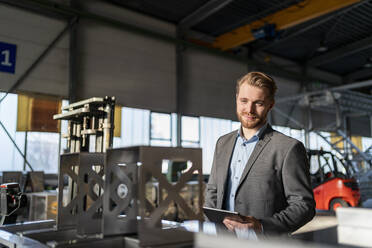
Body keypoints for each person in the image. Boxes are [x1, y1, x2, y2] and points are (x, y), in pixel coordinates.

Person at [205, 71, 315, 236]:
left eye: (259, 103)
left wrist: (262, 226)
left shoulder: (288, 148)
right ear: (236, 99)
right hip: (222, 240)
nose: (249, 110)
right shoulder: (223, 143)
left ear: (271, 104)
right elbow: (213, 190)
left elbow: (304, 206)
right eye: (244, 101)